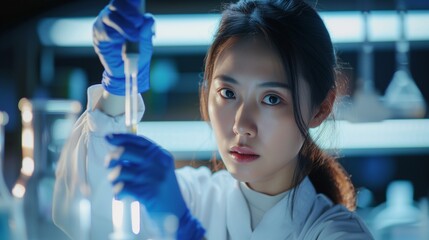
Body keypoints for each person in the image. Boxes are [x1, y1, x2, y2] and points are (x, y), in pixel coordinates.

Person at [52, 0, 375, 239]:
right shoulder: (194, 196)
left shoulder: (336, 233)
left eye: (272, 98)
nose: (241, 124)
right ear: (206, 94)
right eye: (228, 93)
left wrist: (185, 228)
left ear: (320, 108)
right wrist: (118, 89)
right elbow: (87, 214)